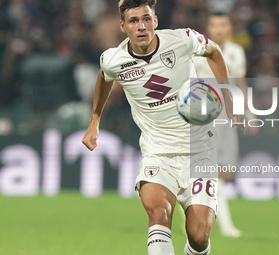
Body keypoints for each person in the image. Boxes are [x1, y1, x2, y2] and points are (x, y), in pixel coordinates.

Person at [82, 1, 247, 254]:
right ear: (123, 26)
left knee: (199, 235)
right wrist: (95, 119)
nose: (141, 26)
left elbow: (213, 51)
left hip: (199, 151)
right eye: (134, 21)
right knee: (159, 214)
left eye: (146, 19)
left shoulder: (182, 40)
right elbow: (104, 77)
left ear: (155, 21)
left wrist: (227, 95)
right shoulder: (113, 59)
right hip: (158, 154)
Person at [193, 12, 250, 238]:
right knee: (213, 173)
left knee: (224, 174)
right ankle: (224, 225)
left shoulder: (237, 52)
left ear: (229, 27)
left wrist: (244, 112)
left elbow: (241, 82)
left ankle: (197, 211)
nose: (218, 29)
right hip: (203, 117)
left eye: (222, 24)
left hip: (227, 118)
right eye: (214, 25)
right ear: (208, 27)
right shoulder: (198, 49)